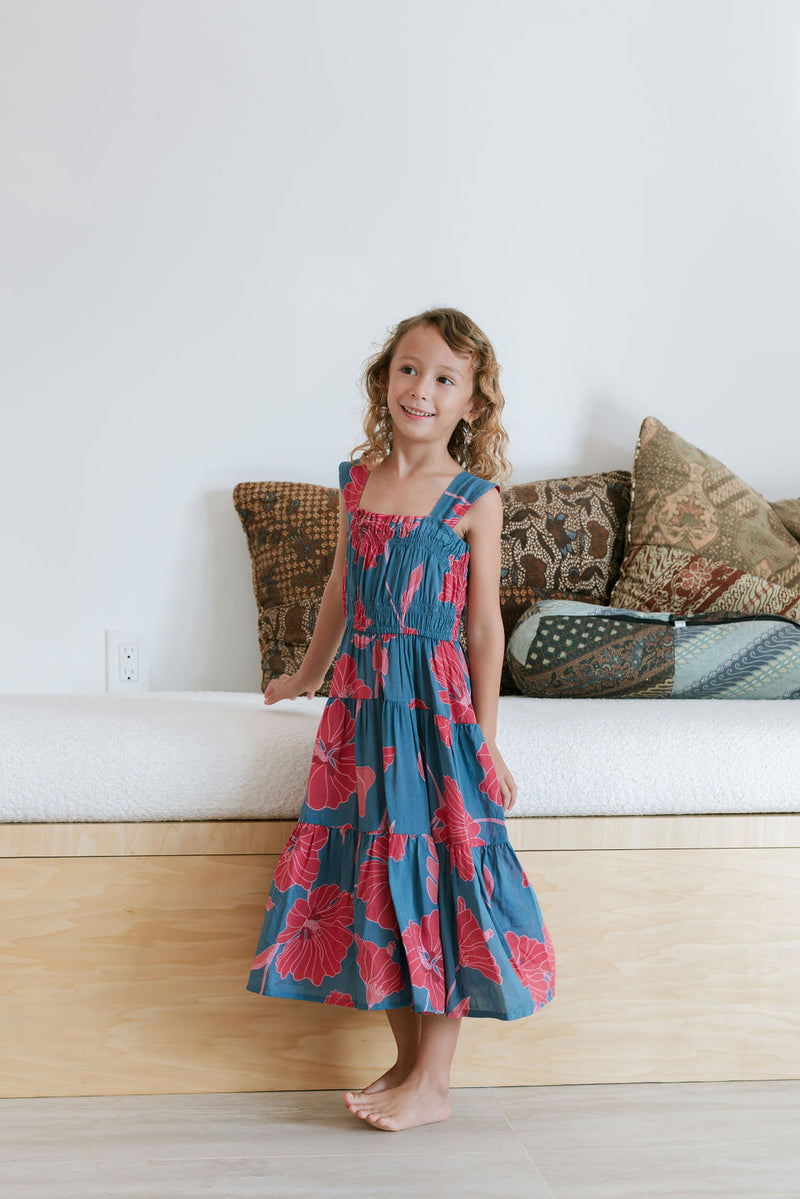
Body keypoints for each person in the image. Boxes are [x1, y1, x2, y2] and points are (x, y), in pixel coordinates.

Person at [245, 306, 555, 1132]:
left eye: (445, 379)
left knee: (438, 876)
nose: (422, 389)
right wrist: (307, 675)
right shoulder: (358, 481)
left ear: (471, 405)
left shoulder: (472, 500)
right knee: (373, 877)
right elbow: (342, 595)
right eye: (409, 369)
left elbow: (483, 627)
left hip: (432, 710)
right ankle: (407, 1062)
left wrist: (486, 739)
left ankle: (437, 1082)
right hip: (361, 710)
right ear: (385, 379)